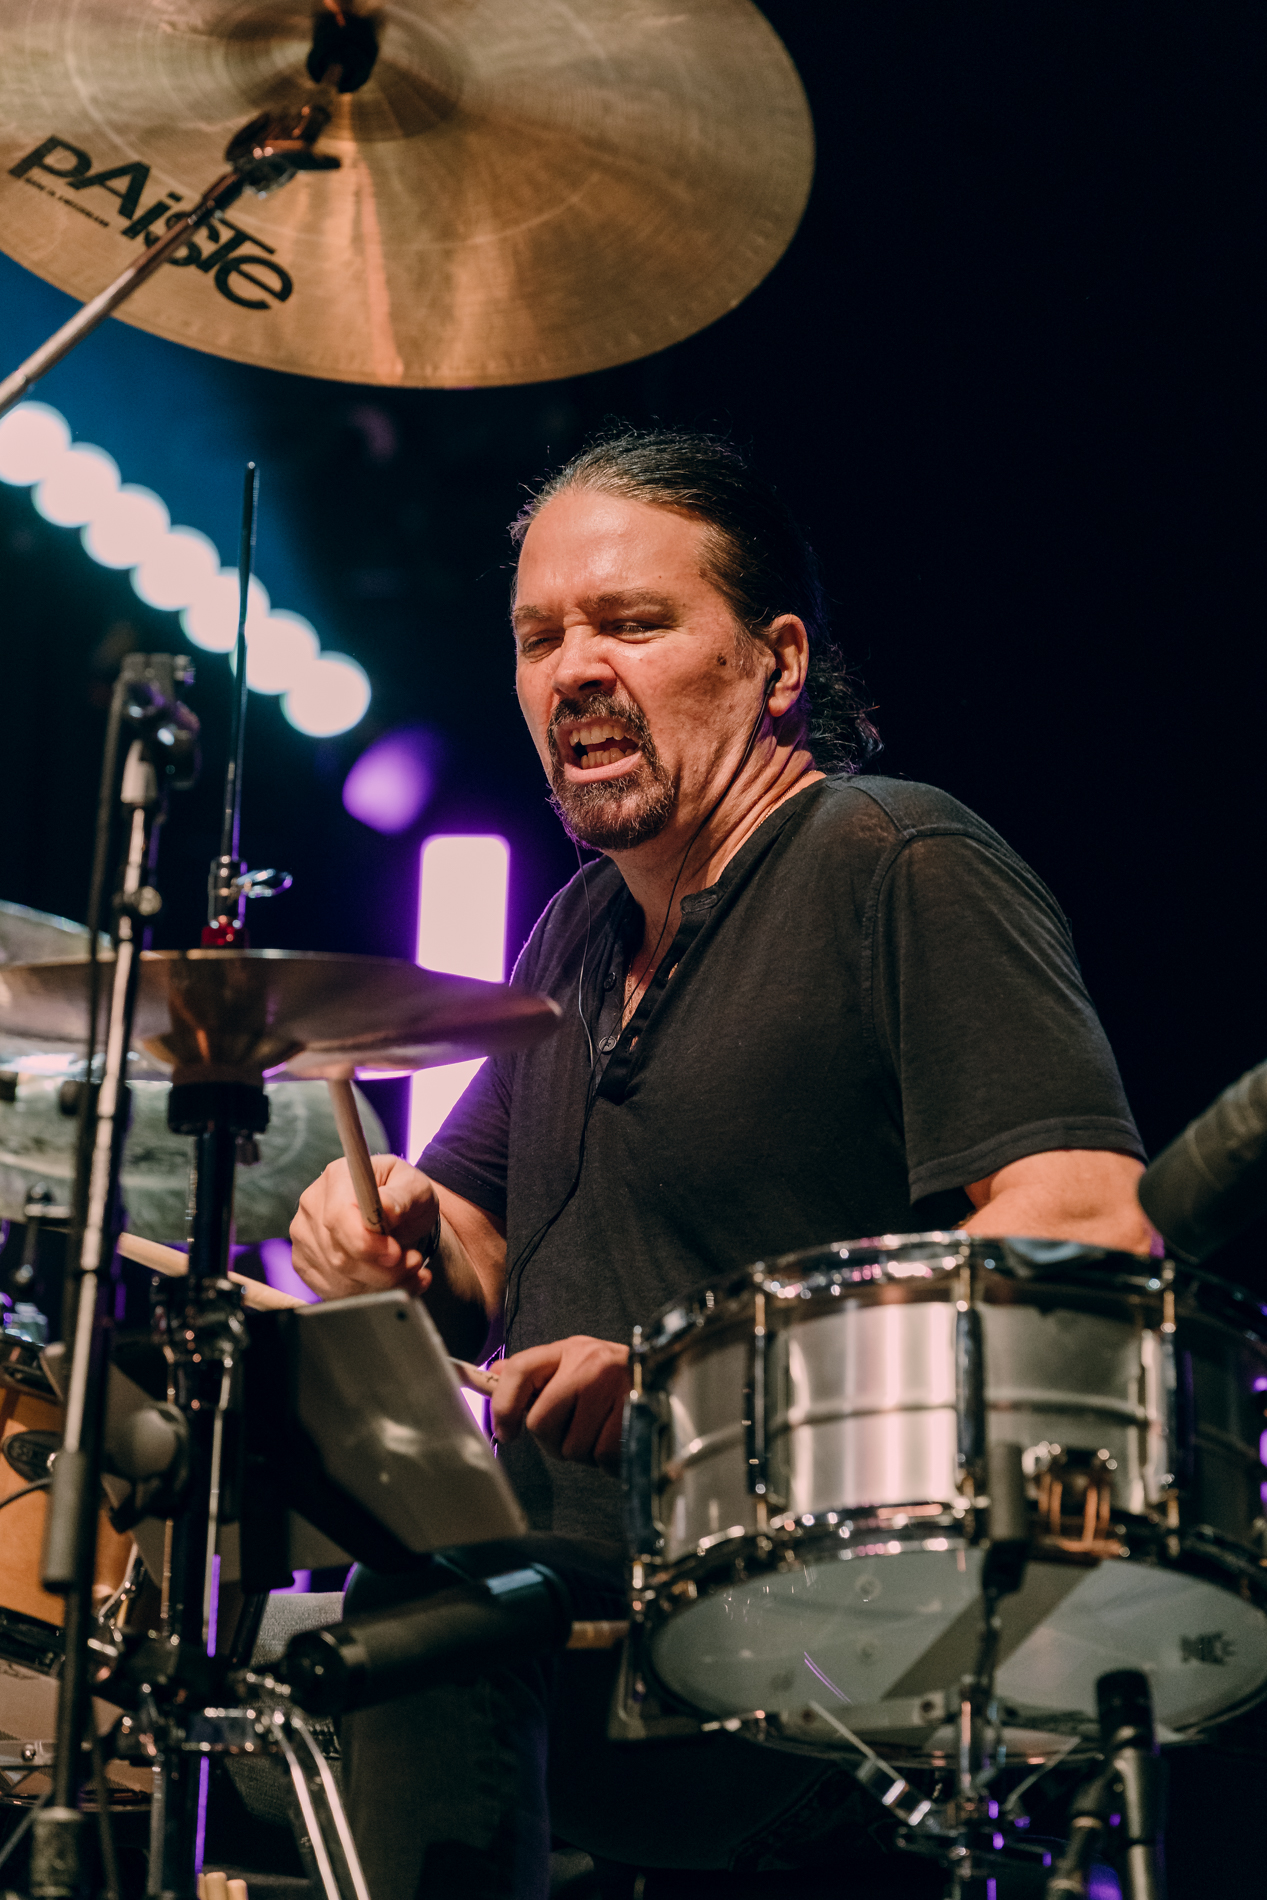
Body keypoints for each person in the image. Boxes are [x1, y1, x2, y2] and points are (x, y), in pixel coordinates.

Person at [290, 429, 1152, 1898]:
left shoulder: (897, 859)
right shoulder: (575, 931)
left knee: (421, 1620)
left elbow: (1087, 1239)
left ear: (776, 662)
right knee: (209, 1692)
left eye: (633, 623)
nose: (576, 670)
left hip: (827, 1642)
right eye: (541, 637)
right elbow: (480, 1249)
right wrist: (396, 1236)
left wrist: (696, 1385)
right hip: (590, 1627)